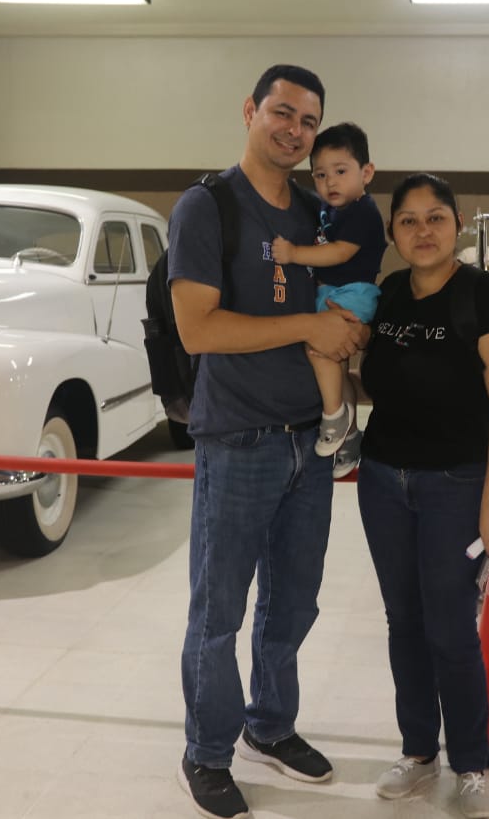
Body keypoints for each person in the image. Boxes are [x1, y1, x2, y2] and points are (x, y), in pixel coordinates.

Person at [169, 64, 367, 819]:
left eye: (308, 121)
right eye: (282, 112)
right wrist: (309, 325)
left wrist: (350, 331)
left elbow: (345, 298)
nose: (295, 130)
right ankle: (207, 751)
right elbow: (198, 328)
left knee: (293, 604)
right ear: (251, 110)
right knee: (219, 612)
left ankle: (271, 726)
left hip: (308, 443)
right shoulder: (209, 206)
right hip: (237, 439)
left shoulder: (319, 213)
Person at [356, 173, 489, 819]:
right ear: (393, 232)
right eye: (408, 220)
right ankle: (418, 752)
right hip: (382, 480)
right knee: (403, 621)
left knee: (450, 627)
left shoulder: (487, 297)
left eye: (435, 217)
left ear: (459, 225)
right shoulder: (387, 295)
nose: (422, 231)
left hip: (455, 484)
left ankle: (470, 764)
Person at [271, 122, 385, 473]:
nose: (330, 182)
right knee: (337, 366)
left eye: (340, 171)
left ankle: (334, 416)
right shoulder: (332, 209)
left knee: (319, 349)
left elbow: (339, 252)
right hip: (336, 292)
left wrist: (293, 254)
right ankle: (349, 439)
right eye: (320, 175)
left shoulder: (362, 211)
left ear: (366, 173)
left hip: (353, 293)